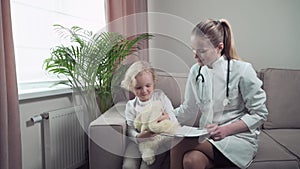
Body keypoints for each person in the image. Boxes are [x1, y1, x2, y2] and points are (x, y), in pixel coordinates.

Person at [170, 19, 268, 169]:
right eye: (194, 50)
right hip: (208, 136)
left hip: (237, 139)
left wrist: (226, 130)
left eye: (202, 51)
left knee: (178, 142)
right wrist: (166, 117)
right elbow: (188, 109)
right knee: (191, 161)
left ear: (219, 47)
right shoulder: (196, 72)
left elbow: (260, 114)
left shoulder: (242, 70)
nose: (195, 56)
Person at [120, 60, 178, 169]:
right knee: (128, 166)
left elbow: (174, 121)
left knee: (146, 166)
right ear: (131, 87)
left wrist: (166, 118)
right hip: (137, 142)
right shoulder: (131, 105)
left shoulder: (160, 97)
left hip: (156, 142)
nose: (144, 90)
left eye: (148, 86)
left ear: (154, 83)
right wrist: (137, 137)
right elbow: (130, 128)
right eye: (138, 87)